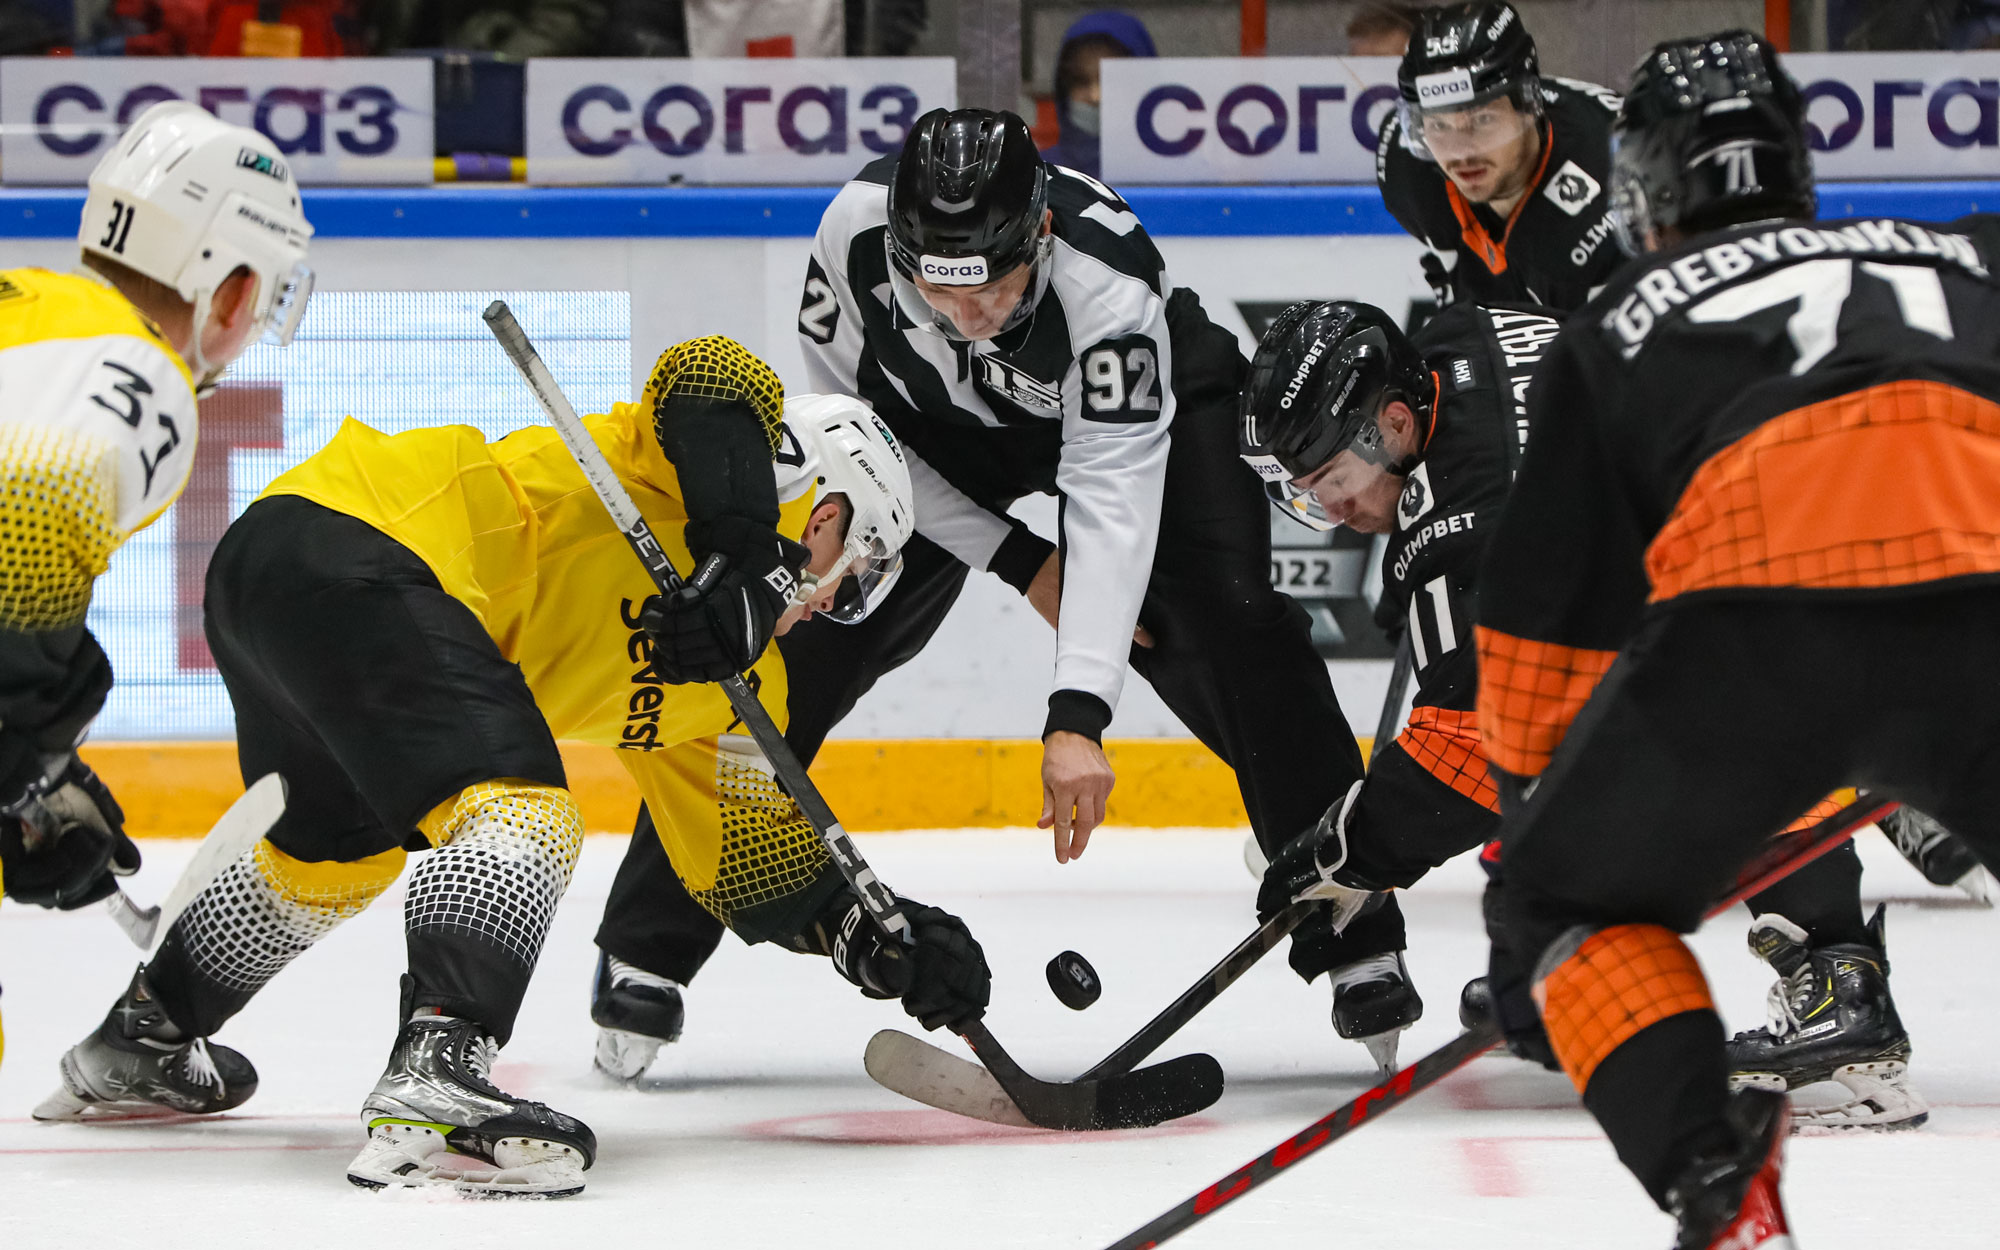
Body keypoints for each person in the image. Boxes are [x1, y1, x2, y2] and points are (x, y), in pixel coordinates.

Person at [38, 344, 982, 1198]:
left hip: (288, 596)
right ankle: (439, 1066)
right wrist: (737, 557)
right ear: (826, 509)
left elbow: (746, 858)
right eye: (848, 572)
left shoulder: (737, 684)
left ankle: (146, 1035)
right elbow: (712, 377)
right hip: (356, 541)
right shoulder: (691, 469)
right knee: (521, 813)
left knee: (337, 850)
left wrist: (872, 933)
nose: (831, 605)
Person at [591, 106, 1382, 1076]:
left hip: (1149, 417)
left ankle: (1352, 929)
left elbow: (1111, 500)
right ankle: (648, 943)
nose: (968, 316)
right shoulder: (849, 238)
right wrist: (1016, 558)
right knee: (792, 641)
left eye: (995, 288)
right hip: (930, 439)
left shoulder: (1106, 288)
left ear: (1038, 232)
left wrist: (1076, 714)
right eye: (940, 291)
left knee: (1233, 620)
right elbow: (861, 441)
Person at [1475, 30, 2000, 1247]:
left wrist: (1537, 853)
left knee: (1562, 910)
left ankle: (1720, 1185)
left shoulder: (1613, 320)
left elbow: (1535, 631)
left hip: (1756, 637)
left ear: (1648, 188)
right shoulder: (1971, 259)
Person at [0, 101, 312, 1063]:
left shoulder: (31, 306)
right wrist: (20, 747)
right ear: (229, 284)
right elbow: (32, 514)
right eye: (260, 302)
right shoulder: (134, 369)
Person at [1239, 296, 1563, 1070]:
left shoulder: (1464, 533)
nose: (1336, 510)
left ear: (1392, 424)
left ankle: (1833, 965)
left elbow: (1472, 756)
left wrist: (1348, 849)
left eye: (1336, 480)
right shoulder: (1453, 343)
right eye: (1310, 493)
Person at [1376, 1, 1624, 311]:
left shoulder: (1614, 174)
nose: (1461, 153)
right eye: (1439, 125)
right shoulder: (1408, 170)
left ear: (1529, 105)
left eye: (1482, 120)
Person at [1038, 10, 1156, 180]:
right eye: (1080, 81)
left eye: (1112, 79)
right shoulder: (1036, 175)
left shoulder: (1179, 177)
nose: (1096, 96)